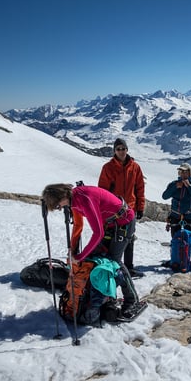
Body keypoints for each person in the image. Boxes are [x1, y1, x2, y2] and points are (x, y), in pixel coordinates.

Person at [41, 183, 140, 325]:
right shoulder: (73, 201)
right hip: (111, 224)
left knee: (113, 262)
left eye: (58, 205)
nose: (60, 208)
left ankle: (131, 300)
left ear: (62, 196)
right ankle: (106, 296)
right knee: (96, 260)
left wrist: (79, 256)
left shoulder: (83, 198)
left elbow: (98, 233)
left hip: (124, 222)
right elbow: (78, 225)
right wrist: (73, 251)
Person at [98, 138, 146, 278]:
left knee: (129, 239)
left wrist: (140, 207)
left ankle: (128, 268)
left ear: (127, 150)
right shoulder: (108, 168)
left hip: (130, 209)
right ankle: (110, 267)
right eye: (118, 149)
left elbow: (140, 188)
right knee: (112, 237)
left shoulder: (135, 167)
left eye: (123, 148)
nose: (121, 151)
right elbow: (102, 190)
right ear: (114, 151)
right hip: (114, 210)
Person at [162, 163, 191, 269]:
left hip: (188, 216)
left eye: (185, 171)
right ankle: (178, 260)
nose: (183, 174)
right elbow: (164, 196)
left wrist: (189, 186)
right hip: (175, 216)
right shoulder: (174, 184)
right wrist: (175, 187)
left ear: (189, 172)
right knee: (176, 239)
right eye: (181, 171)